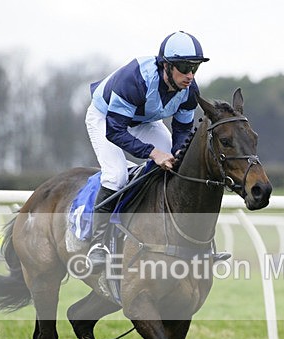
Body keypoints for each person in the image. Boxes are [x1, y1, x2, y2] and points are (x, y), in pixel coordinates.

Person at [84, 31, 209, 272]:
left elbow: (182, 130)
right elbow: (116, 132)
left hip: (144, 120)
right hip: (106, 117)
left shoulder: (189, 91)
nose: (190, 75)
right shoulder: (135, 80)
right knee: (116, 176)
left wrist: (177, 152)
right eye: (184, 67)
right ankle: (97, 243)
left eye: (195, 67)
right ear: (166, 65)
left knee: (175, 164)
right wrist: (153, 153)